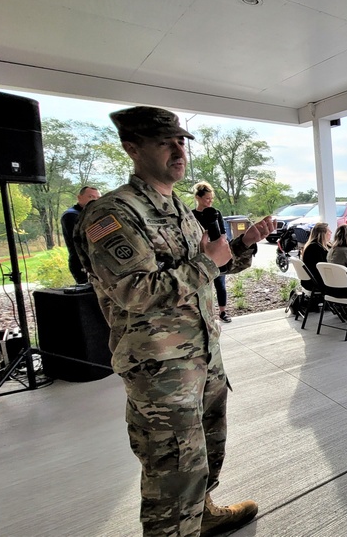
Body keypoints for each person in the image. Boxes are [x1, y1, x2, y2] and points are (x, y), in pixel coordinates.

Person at [76, 106, 274, 537]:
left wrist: (242, 243)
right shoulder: (113, 215)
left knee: (206, 448)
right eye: (164, 141)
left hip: (202, 355)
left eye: (181, 140)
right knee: (172, 468)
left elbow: (206, 268)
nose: (178, 149)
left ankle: (201, 514)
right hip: (161, 368)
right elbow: (135, 292)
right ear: (132, 148)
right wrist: (208, 263)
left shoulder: (179, 208)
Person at [192, 182, 231, 323]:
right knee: (202, 287)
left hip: (216, 256)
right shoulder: (191, 216)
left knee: (220, 284)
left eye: (211, 199)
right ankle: (205, 315)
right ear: (197, 197)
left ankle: (223, 312)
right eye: (207, 198)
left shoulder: (216, 213)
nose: (209, 201)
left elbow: (223, 234)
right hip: (200, 256)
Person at [61, 185, 100, 284]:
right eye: (90, 197)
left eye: (98, 198)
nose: (94, 200)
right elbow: (82, 239)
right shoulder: (71, 215)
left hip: (97, 262)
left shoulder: (96, 214)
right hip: (82, 263)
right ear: (79, 197)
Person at [301, 222, 331, 290]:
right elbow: (324, 267)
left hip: (312, 280)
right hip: (318, 282)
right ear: (323, 234)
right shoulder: (315, 248)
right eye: (329, 231)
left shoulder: (312, 245)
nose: (331, 233)